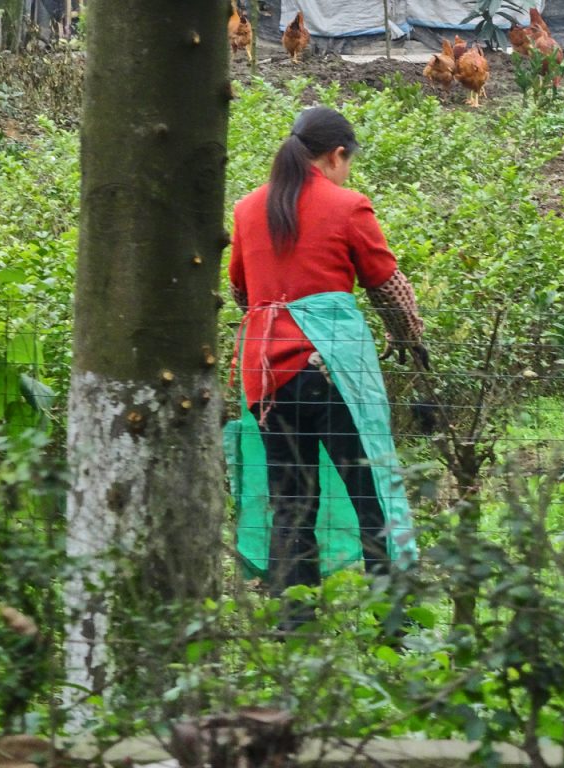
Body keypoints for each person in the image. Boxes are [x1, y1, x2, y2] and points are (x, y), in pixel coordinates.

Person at [228, 106, 425, 623]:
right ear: (337, 155)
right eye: (348, 161)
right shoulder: (347, 206)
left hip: (268, 376)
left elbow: (241, 293)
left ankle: (295, 623)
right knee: (370, 493)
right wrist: (410, 338)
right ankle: (392, 622)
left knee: (291, 502)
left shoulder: (247, 209)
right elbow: (387, 285)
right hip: (332, 371)